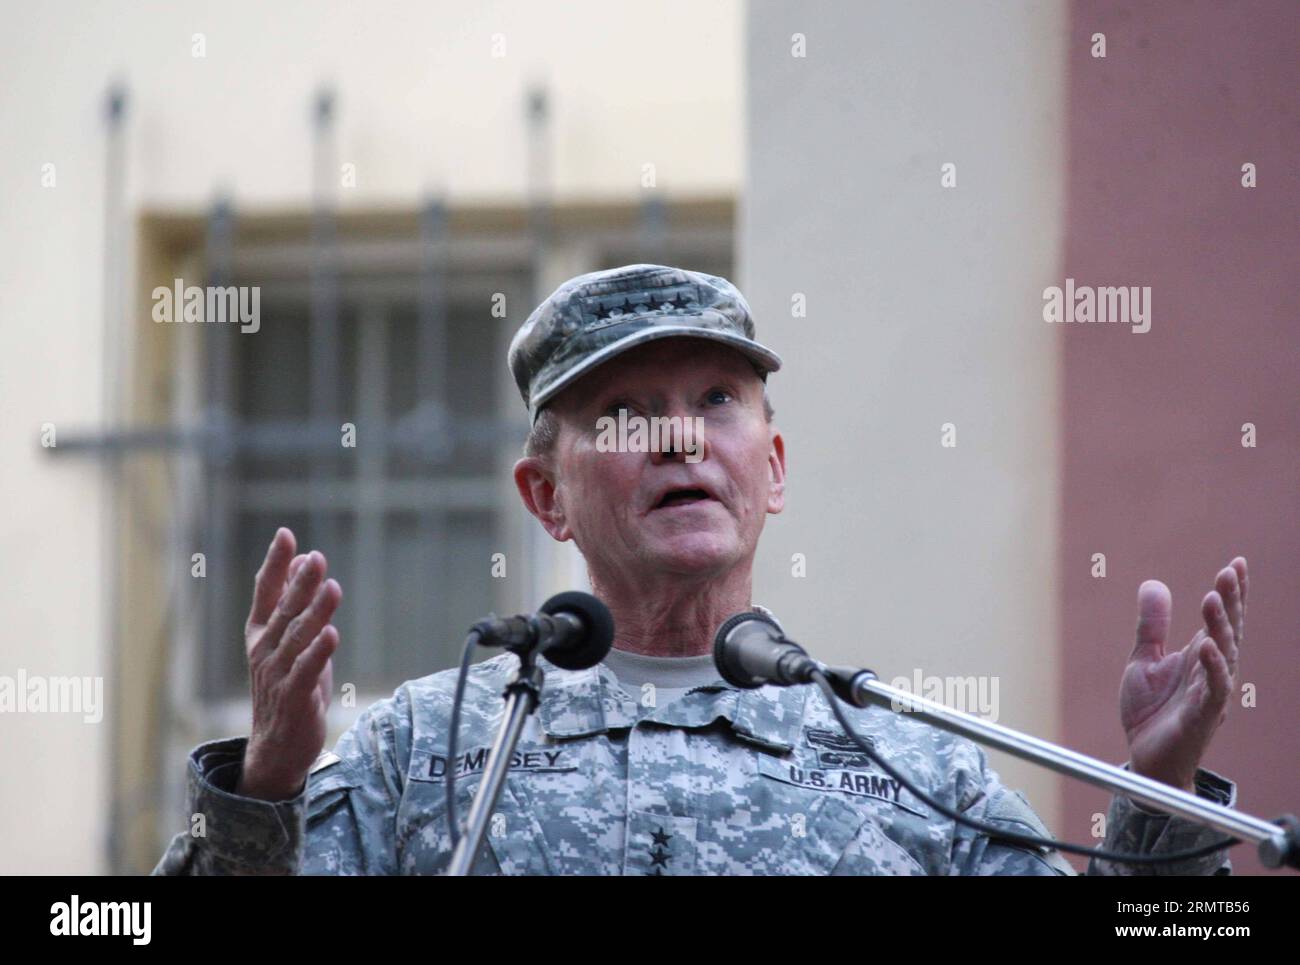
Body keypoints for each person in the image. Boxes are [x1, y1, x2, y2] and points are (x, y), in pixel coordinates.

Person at [154, 263, 1244, 875]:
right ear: (545, 495)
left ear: (770, 469)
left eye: (715, 401)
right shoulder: (426, 750)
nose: (680, 439)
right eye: (625, 412)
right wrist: (263, 788)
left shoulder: (909, 760)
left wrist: (1165, 796)